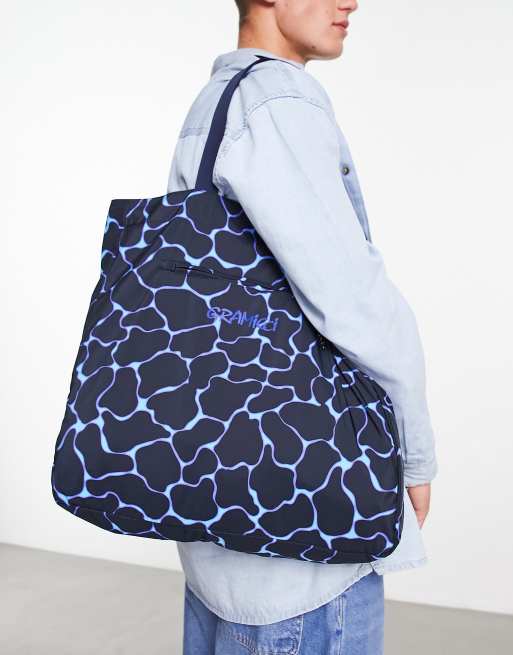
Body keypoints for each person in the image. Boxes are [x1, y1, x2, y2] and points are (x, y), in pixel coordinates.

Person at [167, 1, 437, 653]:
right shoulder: (279, 101)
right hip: (305, 540)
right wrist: (414, 450)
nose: (351, 2)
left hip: (218, 522)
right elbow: (351, 300)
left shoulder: (214, 102)